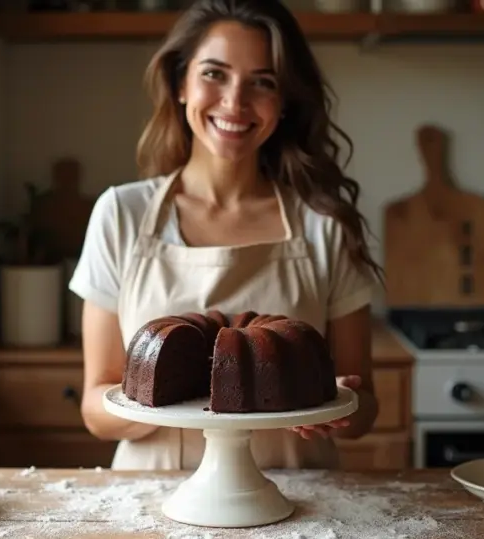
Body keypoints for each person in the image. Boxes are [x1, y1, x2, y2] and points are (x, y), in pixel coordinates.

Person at [67, 0, 383, 471]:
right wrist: (165, 398)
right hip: (154, 495)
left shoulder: (325, 225)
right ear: (181, 83)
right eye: (214, 74)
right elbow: (96, 408)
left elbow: (365, 409)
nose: (235, 102)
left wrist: (337, 405)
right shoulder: (121, 214)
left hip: (296, 493)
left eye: (263, 81)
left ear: (285, 101)